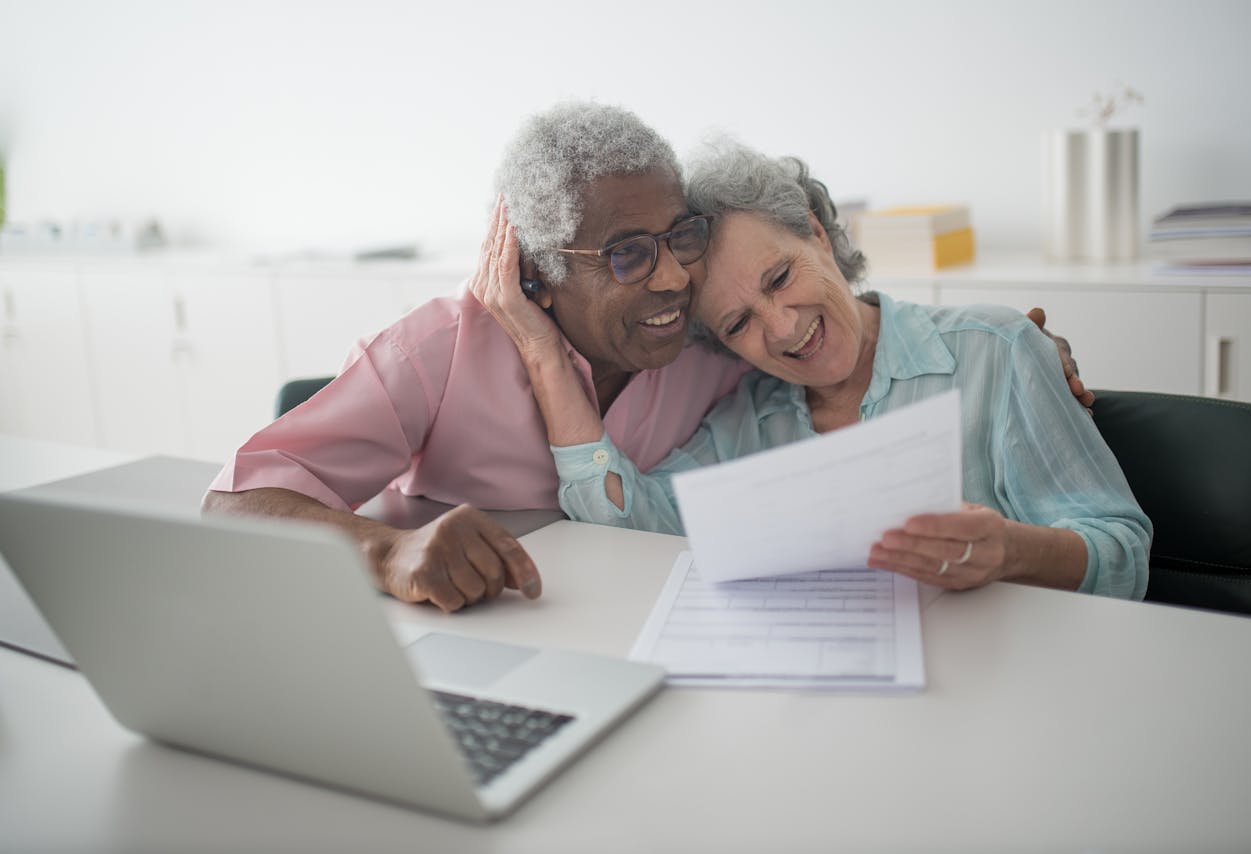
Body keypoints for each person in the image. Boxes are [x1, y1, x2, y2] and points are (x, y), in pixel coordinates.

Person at [204, 102, 1090, 612]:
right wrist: (384, 552)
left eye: (681, 237)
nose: (673, 277)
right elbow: (232, 504)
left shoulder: (717, 345)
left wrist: (1022, 346)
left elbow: (839, 334)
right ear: (540, 275)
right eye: (628, 253)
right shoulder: (439, 351)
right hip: (455, 643)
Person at [472, 143, 1151, 599]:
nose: (784, 327)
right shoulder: (748, 420)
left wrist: (1010, 552)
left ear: (817, 234)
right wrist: (542, 353)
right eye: (738, 324)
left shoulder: (995, 351)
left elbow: (1123, 554)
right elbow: (625, 531)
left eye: (780, 276)